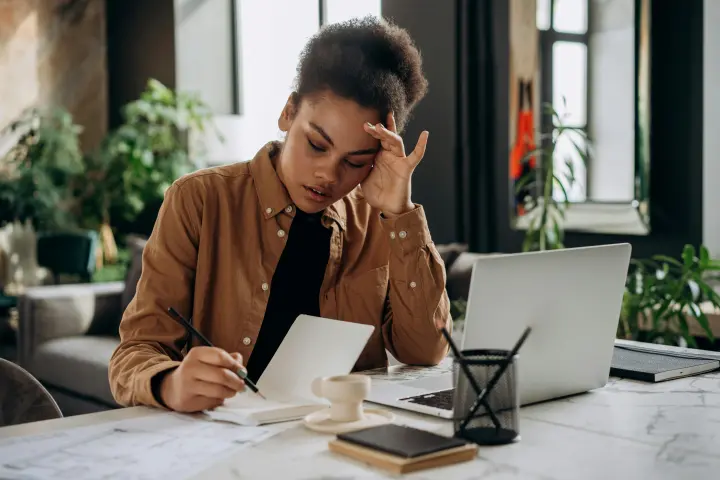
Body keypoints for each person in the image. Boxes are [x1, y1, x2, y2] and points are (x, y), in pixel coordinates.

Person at [109, 16, 451, 413]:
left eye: (356, 162)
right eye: (317, 145)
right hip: (220, 442)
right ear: (289, 112)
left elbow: (425, 351)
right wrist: (170, 383)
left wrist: (400, 214)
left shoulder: (378, 220)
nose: (329, 174)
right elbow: (136, 351)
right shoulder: (199, 199)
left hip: (336, 437)